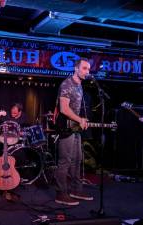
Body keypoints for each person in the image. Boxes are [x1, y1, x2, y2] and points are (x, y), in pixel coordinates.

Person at [54, 58, 94, 206]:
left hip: (75, 127)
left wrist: (82, 120)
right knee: (64, 161)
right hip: (66, 127)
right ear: (76, 69)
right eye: (84, 68)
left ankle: (76, 190)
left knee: (77, 160)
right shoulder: (67, 84)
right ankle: (60, 193)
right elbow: (64, 109)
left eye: (88, 69)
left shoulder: (80, 86)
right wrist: (79, 119)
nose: (87, 72)